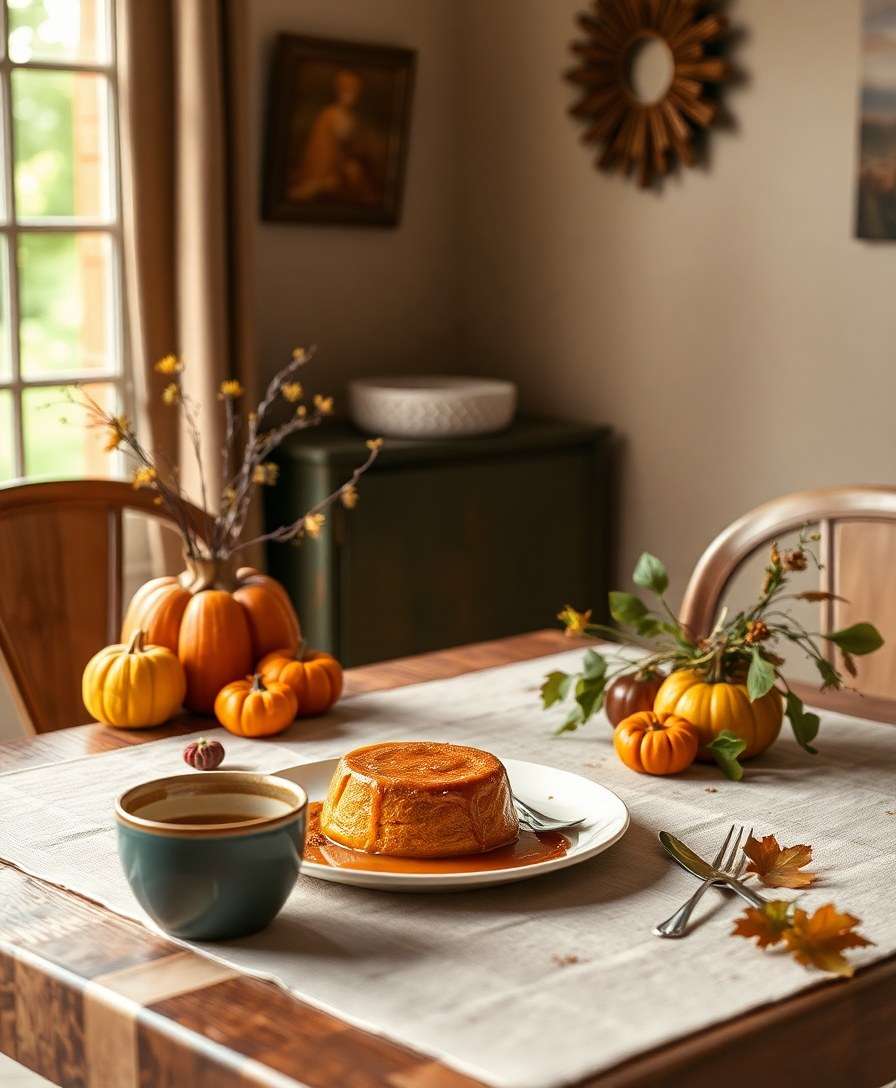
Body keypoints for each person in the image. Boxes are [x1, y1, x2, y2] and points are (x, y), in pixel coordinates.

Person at [289, 69, 380, 204]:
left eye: (355, 89)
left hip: (348, 177)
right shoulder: (327, 116)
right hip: (326, 177)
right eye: (346, 88)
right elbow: (319, 155)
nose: (351, 93)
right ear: (338, 90)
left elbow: (360, 151)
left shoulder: (356, 120)